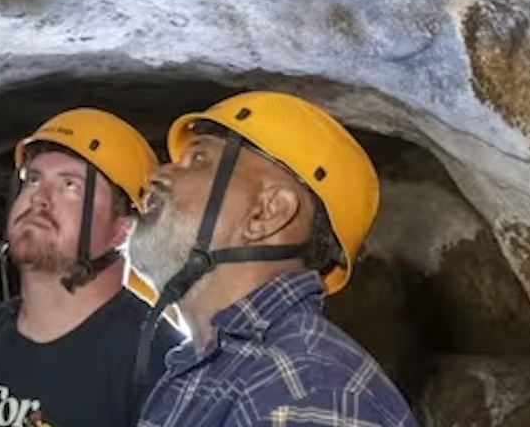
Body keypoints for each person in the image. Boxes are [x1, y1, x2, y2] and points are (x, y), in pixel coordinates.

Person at [125, 91, 418, 427]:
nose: (155, 175)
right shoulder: (219, 372)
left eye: (198, 160)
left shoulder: (305, 393)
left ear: (266, 212)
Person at [0, 108, 182, 427]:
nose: (39, 198)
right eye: (32, 180)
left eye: (71, 186)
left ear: (122, 229)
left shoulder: (158, 365)